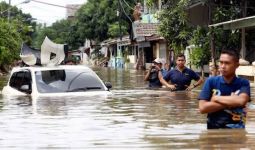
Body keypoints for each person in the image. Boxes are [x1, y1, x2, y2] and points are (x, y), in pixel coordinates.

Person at [198, 50, 250, 129]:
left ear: (237, 65)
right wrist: (232, 101)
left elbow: (241, 101)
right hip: (213, 131)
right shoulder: (211, 81)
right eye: (221, 62)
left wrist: (216, 98)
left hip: (237, 132)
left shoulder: (243, 83)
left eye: (227, 63)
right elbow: (202, 108)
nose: (222, 66)